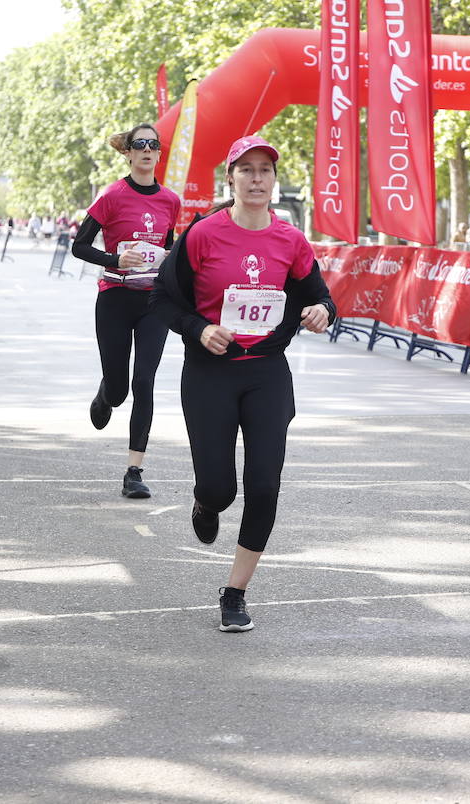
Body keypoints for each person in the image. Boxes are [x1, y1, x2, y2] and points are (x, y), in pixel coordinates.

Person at [151, 135, 336, 632]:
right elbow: (162, 301)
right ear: (230, 178)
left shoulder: (291, 240)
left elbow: (319, 296)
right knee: (220, 487)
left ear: (274, 181)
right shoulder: (203, 235)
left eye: (265, 171)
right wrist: (200, 328)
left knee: (264, 487)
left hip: (266, 373)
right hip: (210, 372)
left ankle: (235, 592)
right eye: (247, 170)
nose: (257, 179)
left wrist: (321, 311)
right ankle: (205, 501)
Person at [71, 123, 181, 500]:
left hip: (153, 302)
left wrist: (169, 259)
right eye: (140, 144)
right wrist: (116, 258)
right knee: (119, 389)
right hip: (115, 299)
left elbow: (167, 248)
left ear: (158, 154)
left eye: (154, 144)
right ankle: (106, 395)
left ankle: (134, 470)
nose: (148, 150)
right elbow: (79, 246)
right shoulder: (112, 196)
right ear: (129, 153)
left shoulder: (170, 200)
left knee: (144, 382)